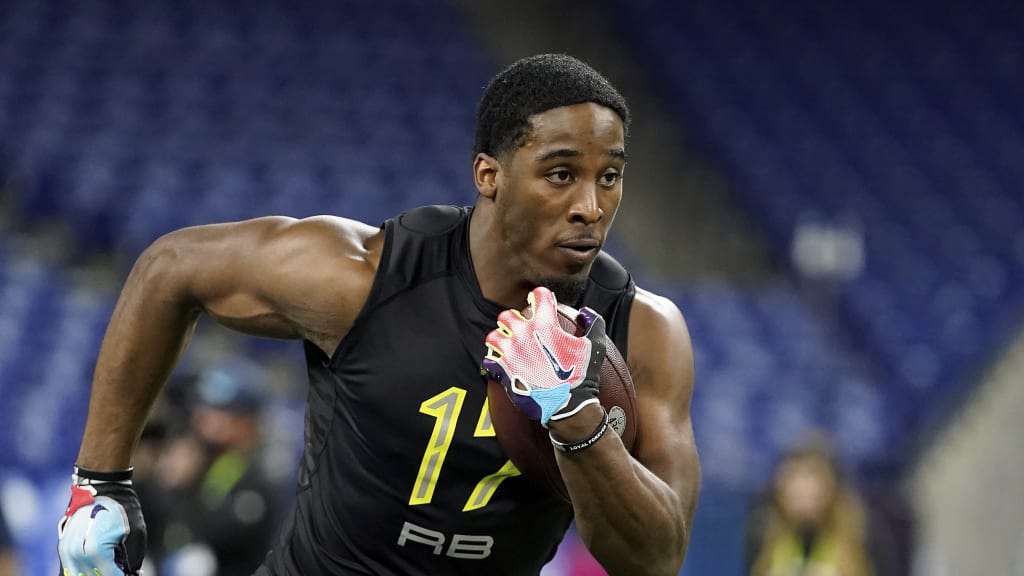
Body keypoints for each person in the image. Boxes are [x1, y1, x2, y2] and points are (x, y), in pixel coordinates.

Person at [56, 53, 701, 576]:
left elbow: (657, 558)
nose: (590, 205)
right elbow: (170, 268)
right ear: (489, 174)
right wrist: (99, 481)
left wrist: (574, 418)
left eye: (610, 177)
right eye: (560, 175)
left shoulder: (641, 332)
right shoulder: (367, 278)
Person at [154, 362, 284, 576]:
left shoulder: (259, 475)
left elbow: (218, 537)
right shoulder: (202, 461)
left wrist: (185, 488)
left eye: (219, 411)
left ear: (246, 422)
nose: (203, 417)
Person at [745, 434, 873, 576]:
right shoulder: (761, 534)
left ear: (831, 487)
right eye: (795, 479)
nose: (803, 490)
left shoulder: (861, 533)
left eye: (812, 476)